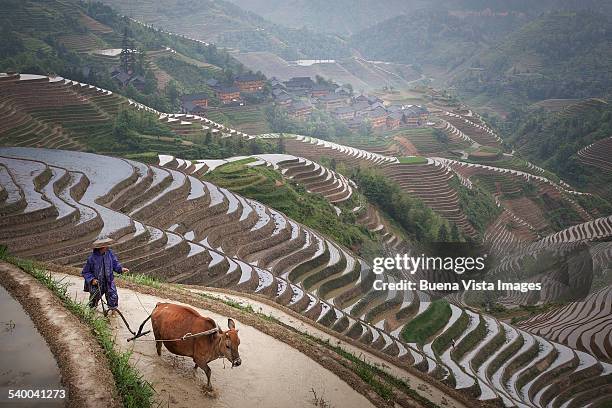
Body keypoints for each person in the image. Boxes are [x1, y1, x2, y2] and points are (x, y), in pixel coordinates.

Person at [82, 238, 129, 313]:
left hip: (109, 280)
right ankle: (92, 311)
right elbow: (85, 272)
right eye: (106, 246)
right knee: (94, 298)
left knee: (113, 296)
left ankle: (113, 311)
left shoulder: (109, 253)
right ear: (101, 247)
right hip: (97, 283)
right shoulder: (92, 258)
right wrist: (92, 280)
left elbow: (115, 263)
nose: (107, 247)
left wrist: (121, 269)